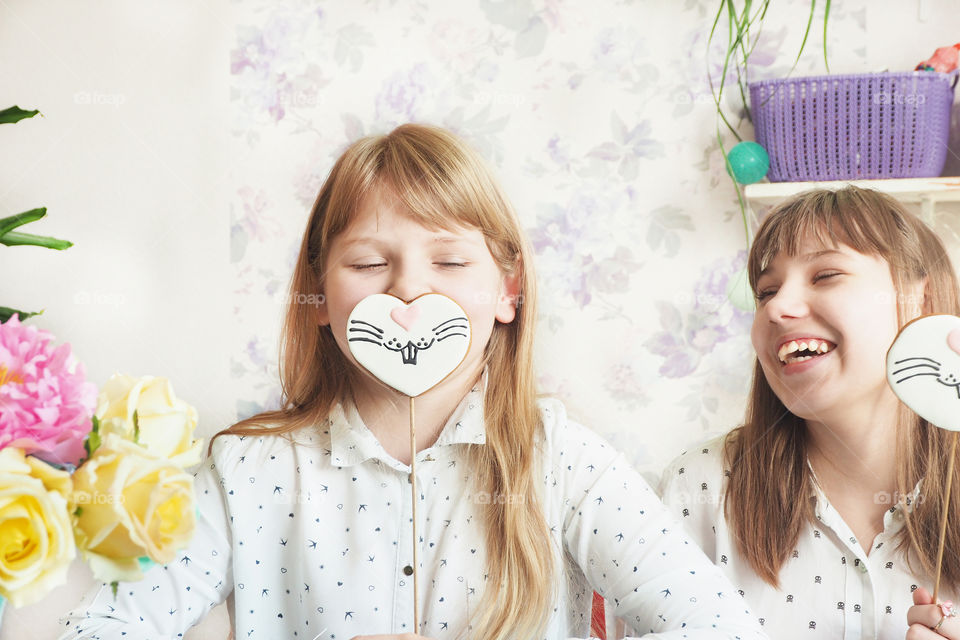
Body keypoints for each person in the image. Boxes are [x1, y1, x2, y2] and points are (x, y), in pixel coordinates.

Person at [59, 124, 766, 640]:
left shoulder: (566, 465)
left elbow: (724, 630)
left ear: (507, 291)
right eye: (369, 264)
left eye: (450, 264)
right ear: (319, 295)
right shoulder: (248, 471)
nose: (408, 292)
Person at [659, 186, 960, 640]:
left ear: (921, 298)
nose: (777, 308)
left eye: (826, 275)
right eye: (766, 290)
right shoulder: (698, 489)